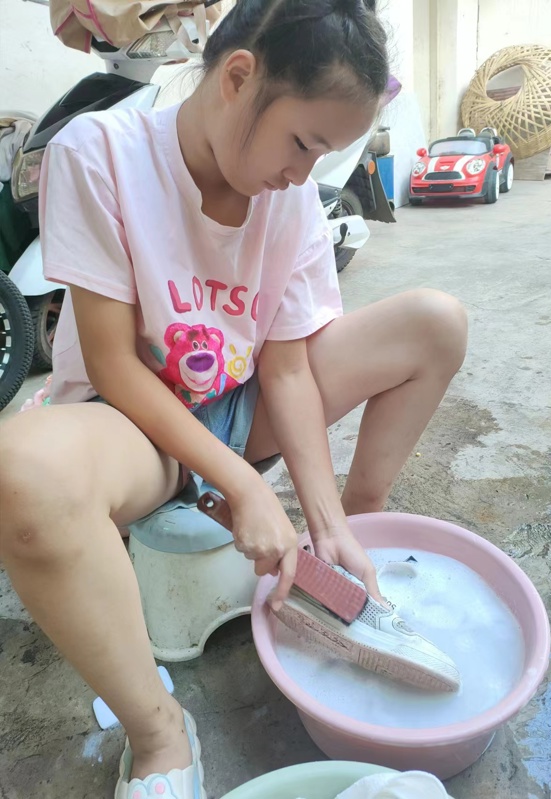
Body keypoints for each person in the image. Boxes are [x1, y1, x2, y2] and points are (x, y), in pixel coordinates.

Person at [0, 0, 467, 796]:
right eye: (302, 143)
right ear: (238, 78)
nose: (302, 175)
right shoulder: (100, 151)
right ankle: (159, 732)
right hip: (131, 422)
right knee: (18, 473)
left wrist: (322, 521)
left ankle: (355, 543)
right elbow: (114, 364)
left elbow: (285, 370)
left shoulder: (290, 200)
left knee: (436, 323)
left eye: (324, 156)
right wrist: (244, 486)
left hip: (241, 402)